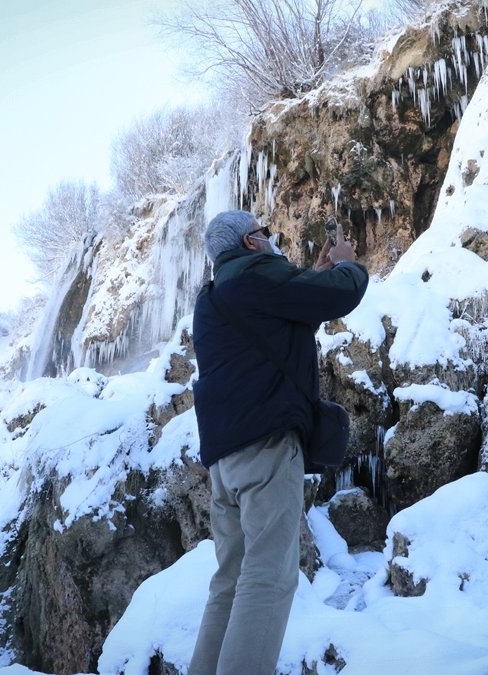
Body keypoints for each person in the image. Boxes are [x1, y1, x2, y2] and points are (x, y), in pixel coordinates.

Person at [189, 210, 368, 675]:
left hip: (224, 463)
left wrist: (313, 276)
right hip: (265, 449)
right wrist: (347, 266)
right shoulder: (257, 274)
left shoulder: (213, 296)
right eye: (266, 234)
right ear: (251, 241)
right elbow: (341, 296)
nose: (272, 241)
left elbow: (280, 321)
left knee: (229, 582)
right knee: (269, 577)